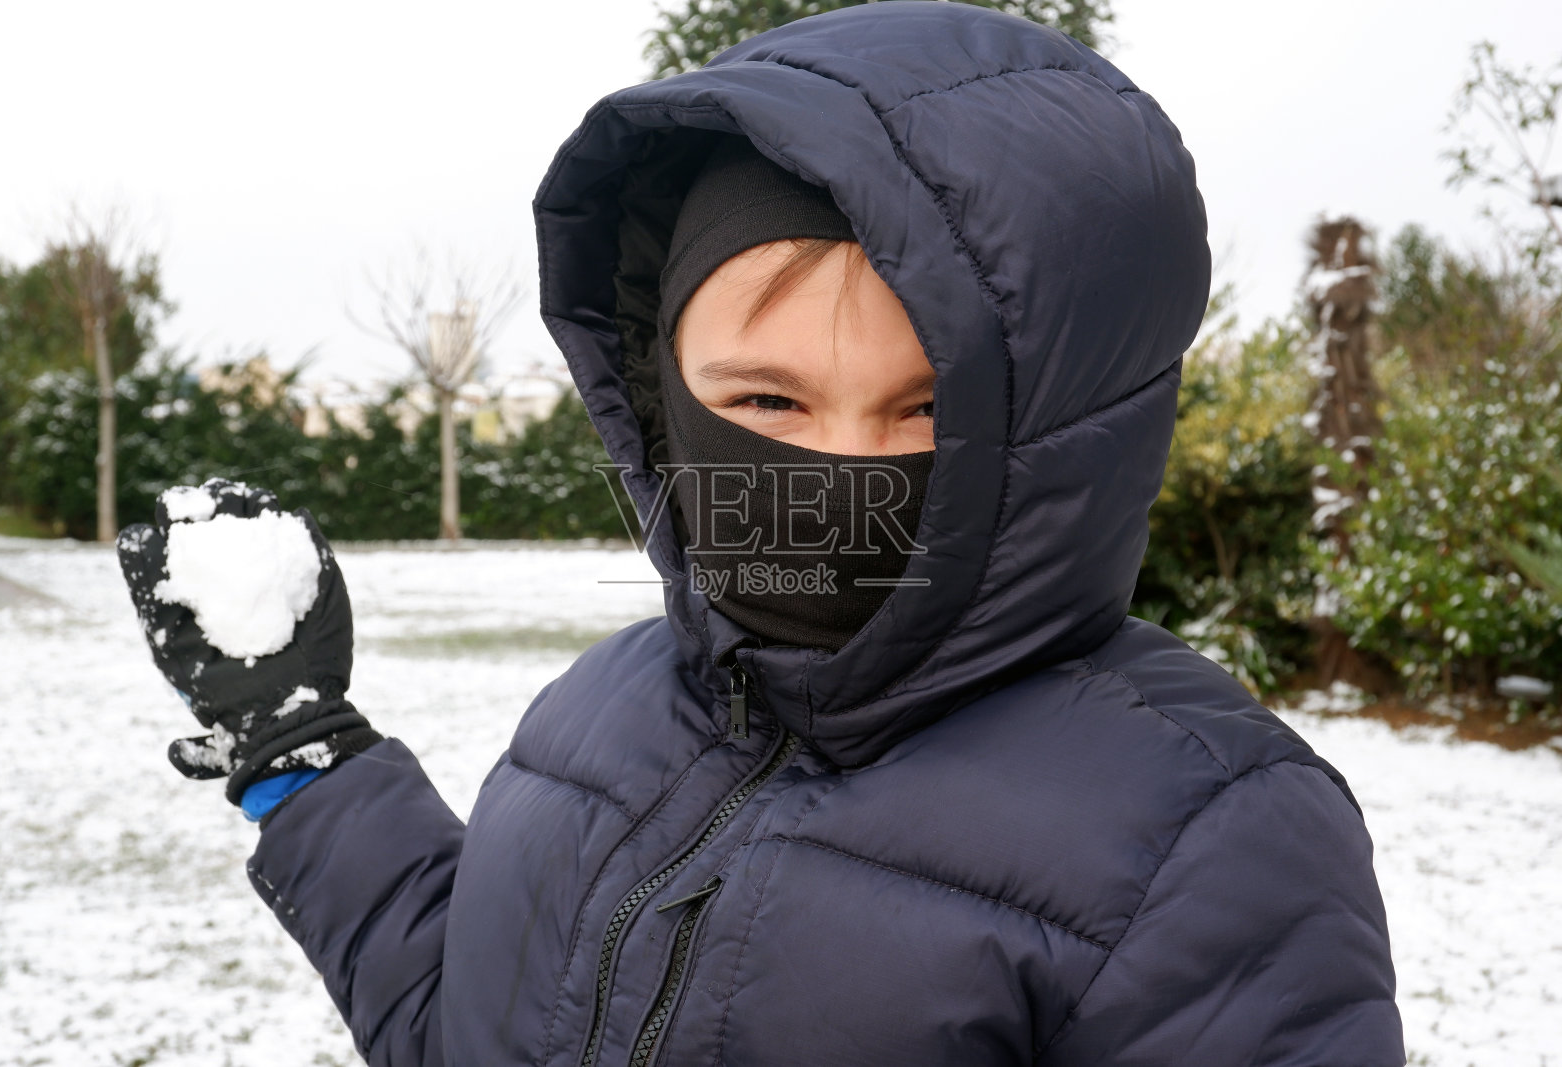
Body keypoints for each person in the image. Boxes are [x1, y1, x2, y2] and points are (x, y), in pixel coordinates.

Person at [117, 4, 1406, 1064]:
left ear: (1067, 431)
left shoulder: (1208, 838)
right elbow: (473, 1028)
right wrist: (302, 757)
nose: (836, 470)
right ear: (662, 394)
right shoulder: (598, 716)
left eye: (929, 413)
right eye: (766, 401)